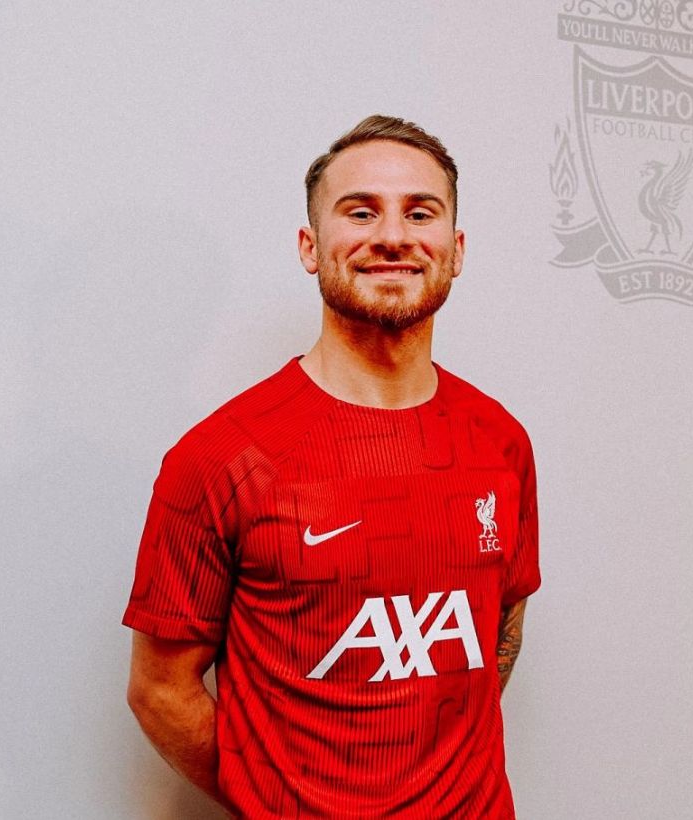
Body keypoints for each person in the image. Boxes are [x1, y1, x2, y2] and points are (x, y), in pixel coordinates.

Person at [123, 114, 541, 818]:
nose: (393, 236)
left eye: (420, 213)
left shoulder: (500, 440)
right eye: (360, 212)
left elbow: (501, 625)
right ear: (310, 247)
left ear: (456, 249)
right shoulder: (221, 457)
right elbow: (160, 690)